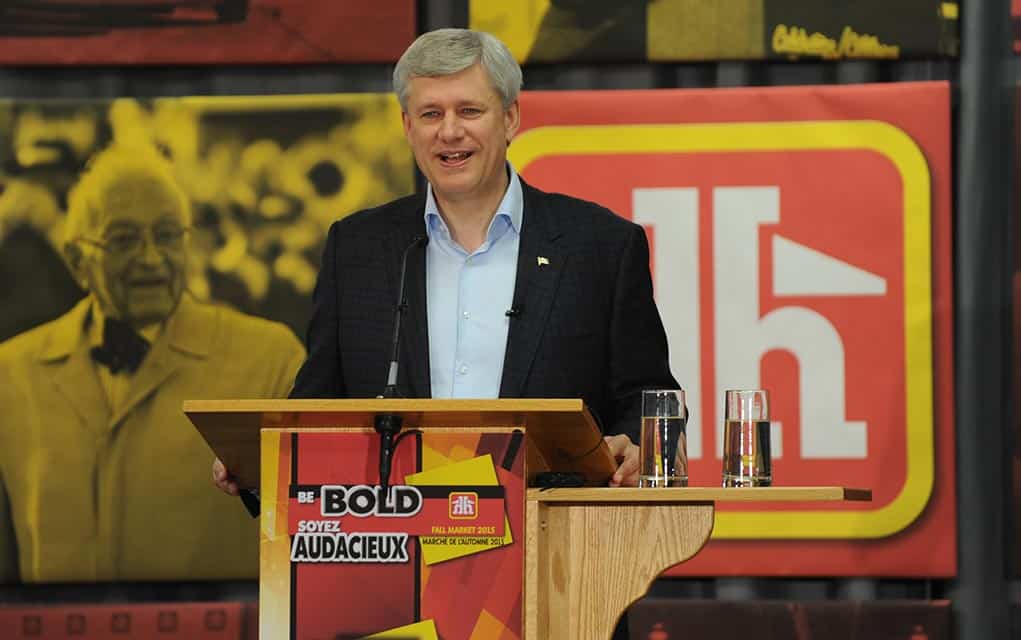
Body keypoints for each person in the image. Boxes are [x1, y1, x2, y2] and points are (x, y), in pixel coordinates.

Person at [214, 27, 677, 494]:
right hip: (396, 528)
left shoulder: (600, 246)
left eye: (469, 111)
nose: (450, 131)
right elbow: (318, 404)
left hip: (551, 526)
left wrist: (641, 446)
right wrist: (257, 464)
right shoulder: (357, 248)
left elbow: (648, 399)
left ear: (510, 118)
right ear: (407, 126)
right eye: (431, 113)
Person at [0, 144, 305, 583]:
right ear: (77, 261)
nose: (150, 258)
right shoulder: (12, 374)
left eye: (166, 235)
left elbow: (316, 532)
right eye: (123, 240)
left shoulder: (272, 360)